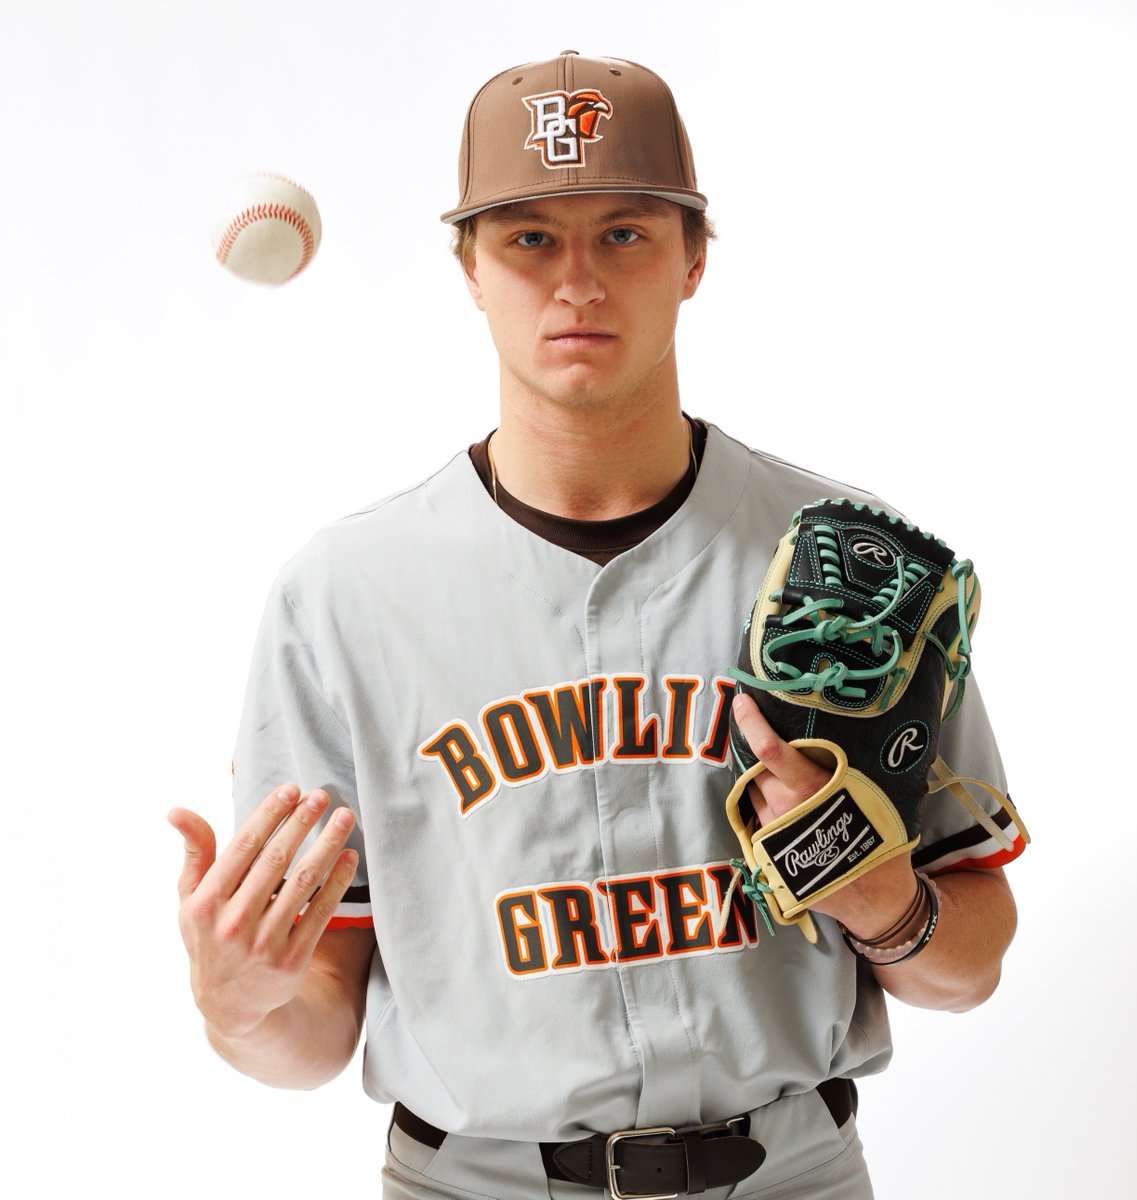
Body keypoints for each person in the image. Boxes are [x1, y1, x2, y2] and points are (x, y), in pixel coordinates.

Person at [169, 51, 1026, 1200]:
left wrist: (885, 899)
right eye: (529, 238)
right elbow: (311, 1031)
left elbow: (970, 969)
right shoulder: (341, 597)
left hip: (791, 1174)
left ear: (694, 260)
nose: (577, 280)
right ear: (469, 266)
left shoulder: (845, 568)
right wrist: (239, 1011)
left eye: (624, 233)